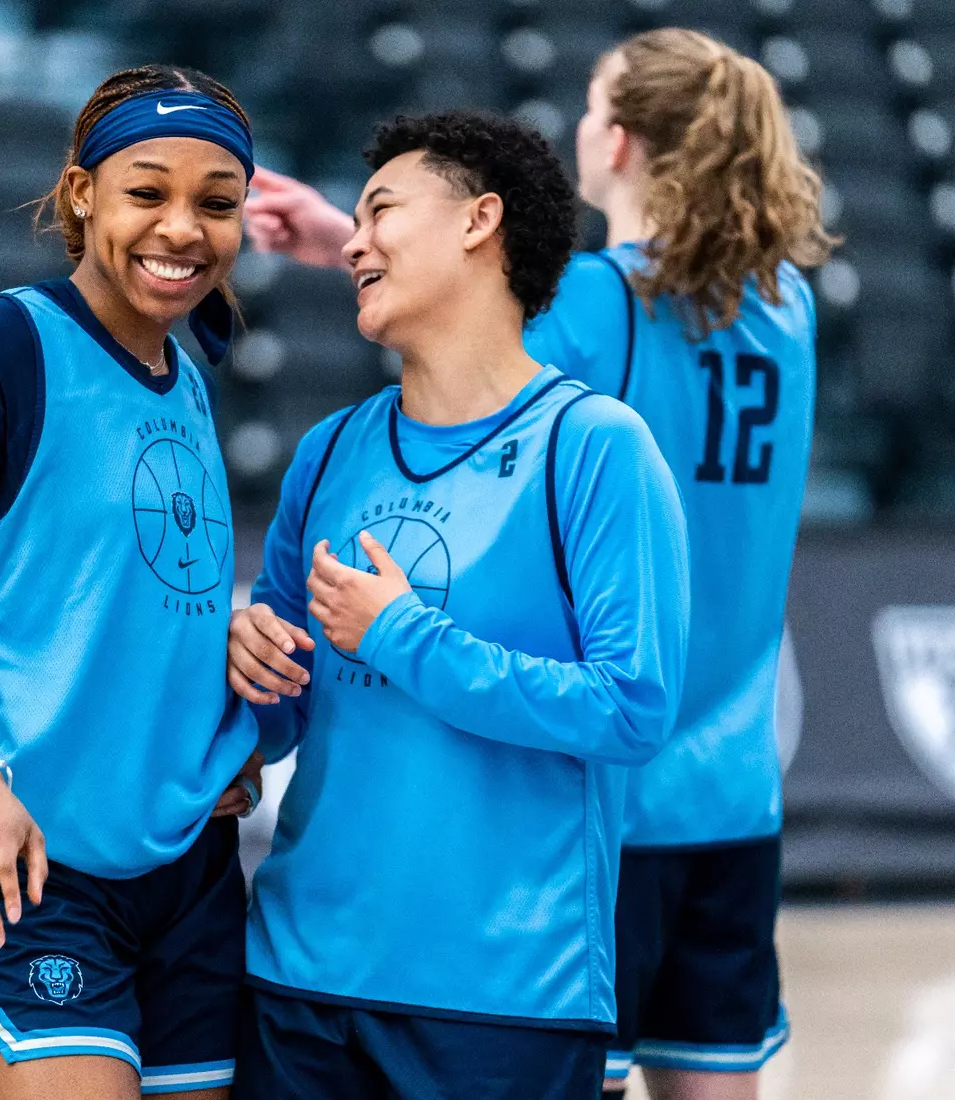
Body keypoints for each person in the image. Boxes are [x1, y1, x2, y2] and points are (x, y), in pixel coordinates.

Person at [243, 28, 834, 1100]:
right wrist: (354, 236)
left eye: (593, 104)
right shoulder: (787, 306)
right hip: (739, 792)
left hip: (599, 812)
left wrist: (345, 243)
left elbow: (478, 337)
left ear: (620, 142)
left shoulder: (606, 305)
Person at [226, 110, 690, 1100]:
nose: (352, 241)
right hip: (298, 981)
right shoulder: (330, 449)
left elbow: (631, 707)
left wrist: (403, 635)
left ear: (481, 220)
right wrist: (244, 665)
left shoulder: (598, 445)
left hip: (504, 1000)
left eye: (380, 211)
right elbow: (280, 710)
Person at [0, 64, 266, 1100]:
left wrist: (210, 716)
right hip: (32, 864)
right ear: (83, 195)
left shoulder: (192, 383)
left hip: (191, 873)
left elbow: (132, 601)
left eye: (216, 203)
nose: (183, 228)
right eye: (148, 192)